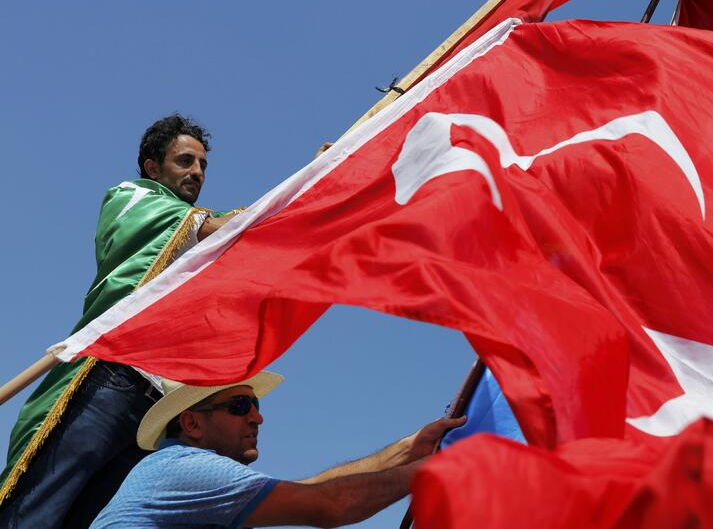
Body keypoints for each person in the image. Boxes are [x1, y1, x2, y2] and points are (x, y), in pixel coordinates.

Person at [0, 115, 242, 528]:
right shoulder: (133, 198)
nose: (197, 172)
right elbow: (223, 228)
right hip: (108, 380)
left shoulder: (204, 227)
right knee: (36, 512)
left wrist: (316, 176)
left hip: (155, 410)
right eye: (185, 161)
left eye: (202, 165)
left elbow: (250, 231)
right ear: (153, 167)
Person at [92, 372, 464, 527]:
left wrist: (408, 449)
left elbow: (313, 488)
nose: (257, 418)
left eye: (255, 405)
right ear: (191, 424)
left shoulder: (176, 470)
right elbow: (329, 503)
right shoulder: (183, 468)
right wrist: (432, 470)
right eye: (239, 406)